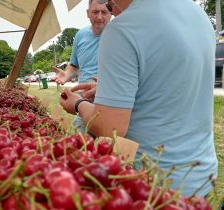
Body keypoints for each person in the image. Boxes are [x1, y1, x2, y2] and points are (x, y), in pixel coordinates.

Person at [60, 0, 218, 197]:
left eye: (109, 6)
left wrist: (76, 103)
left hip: (153, 182)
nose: (111, 11)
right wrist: (114, 91)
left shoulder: (123, 28)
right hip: (202, 175)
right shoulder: (198, 14)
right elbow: (170, 81)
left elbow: (110, 125)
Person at [53, 0, 111, 133]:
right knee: (78, 145)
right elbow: (74, 65)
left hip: (110, 99)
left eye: (104, 12)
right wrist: (67, 74)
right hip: (84, 99)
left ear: (111, 13)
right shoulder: (80, 35)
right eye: (95, 12)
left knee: (111, 146)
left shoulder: (120, 34)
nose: (100, 17)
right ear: (87, 13)